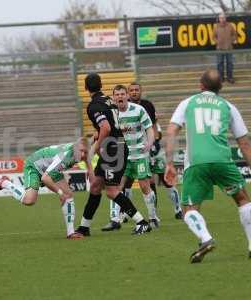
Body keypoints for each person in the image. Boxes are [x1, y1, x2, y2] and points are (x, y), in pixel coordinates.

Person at [164, 69, 251, 263]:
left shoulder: (187, 103)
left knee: (189, 209)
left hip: (196, 162)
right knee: (243, 199)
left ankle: (205, 238)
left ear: (200, 85)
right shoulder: (228, 106)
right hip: (223, 160)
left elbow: (170, 132)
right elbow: (244, 143)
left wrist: (169, 163)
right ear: (220, 88)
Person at [75, 73, 151, 237]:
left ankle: (142, 223)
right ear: (101, 85)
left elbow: (106, 128)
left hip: (114, 149)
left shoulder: (94, 105)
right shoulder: (109, 100)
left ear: (86, 88)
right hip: (116, 147)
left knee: (111, 191)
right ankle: (84, 227)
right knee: (95, 186)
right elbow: (109, 126)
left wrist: (95, 148)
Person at [0, 139, 89, 240]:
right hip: (34, 166)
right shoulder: (64, 157)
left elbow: (87, 153)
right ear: (75, 149)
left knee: (68, 195)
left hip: (50, 169)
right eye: (81, 151)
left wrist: (90, 171)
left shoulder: (79, 150)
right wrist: (59, 192)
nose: (83, 154)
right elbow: (45, 178)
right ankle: (4, 183)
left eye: (85, 152)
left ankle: (71, 233)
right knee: (29, 200)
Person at [112, 85, 159, 228]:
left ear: (127, 96)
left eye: (122, 94)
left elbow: (149, 128)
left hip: (139, 153)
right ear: (113, 97)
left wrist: (150, 143)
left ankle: (152, 217)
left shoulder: (139, 110)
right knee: (117, 187)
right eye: (117, 94)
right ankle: (116, 219)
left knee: (145, 186)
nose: (120, 96)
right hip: (122, 154)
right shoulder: (112, 113)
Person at [213, 12, 237, 84]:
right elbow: (213, 37)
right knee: (220, 63)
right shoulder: (216, 27)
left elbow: (234, 34)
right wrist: (217, 42)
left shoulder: (230, 26)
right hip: (219, 48)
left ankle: (230, 78)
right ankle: (221, 78)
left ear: (225, 18)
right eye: (221, 18)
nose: (222, 19)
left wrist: (231, 40)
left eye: (223, 17)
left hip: (229, 48)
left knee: (230, 63)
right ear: (219, 19)